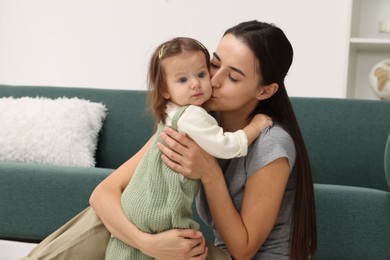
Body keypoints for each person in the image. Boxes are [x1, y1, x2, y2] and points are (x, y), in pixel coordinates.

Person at [90, 20, 317, 260]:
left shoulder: (272, 143)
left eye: (233, 77)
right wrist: (149, 244)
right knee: (103, 220)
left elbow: (244, 250)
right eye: (214, 64)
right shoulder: (193, 120)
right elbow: (104, 193)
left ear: (264, 91)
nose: (213, 80)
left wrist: (209, 172)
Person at [103, 37, 272, 259]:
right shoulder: (192, 116)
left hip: (138, 208)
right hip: (165, 215)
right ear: (164, 90)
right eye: (182, 79)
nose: (195, 84)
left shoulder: (171, 114)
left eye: (202, 74)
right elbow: (227, 145)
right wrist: (255, 127)